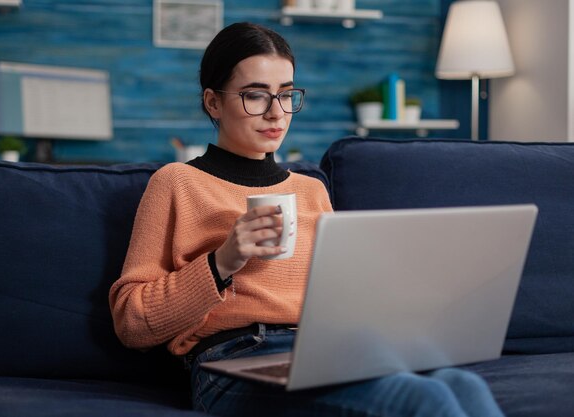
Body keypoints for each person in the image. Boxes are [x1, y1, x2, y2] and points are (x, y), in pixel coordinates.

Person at [109, 22, 505, 417]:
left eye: (286, 95)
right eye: (255, 96)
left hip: (326, 352)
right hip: (234, 361)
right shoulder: (177, 183)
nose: (276, 113)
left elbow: (341, 302)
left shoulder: (311, 189)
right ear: (213, 103)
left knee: (462, 384)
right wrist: (222, 261)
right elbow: (132, 324)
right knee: (424, 400)